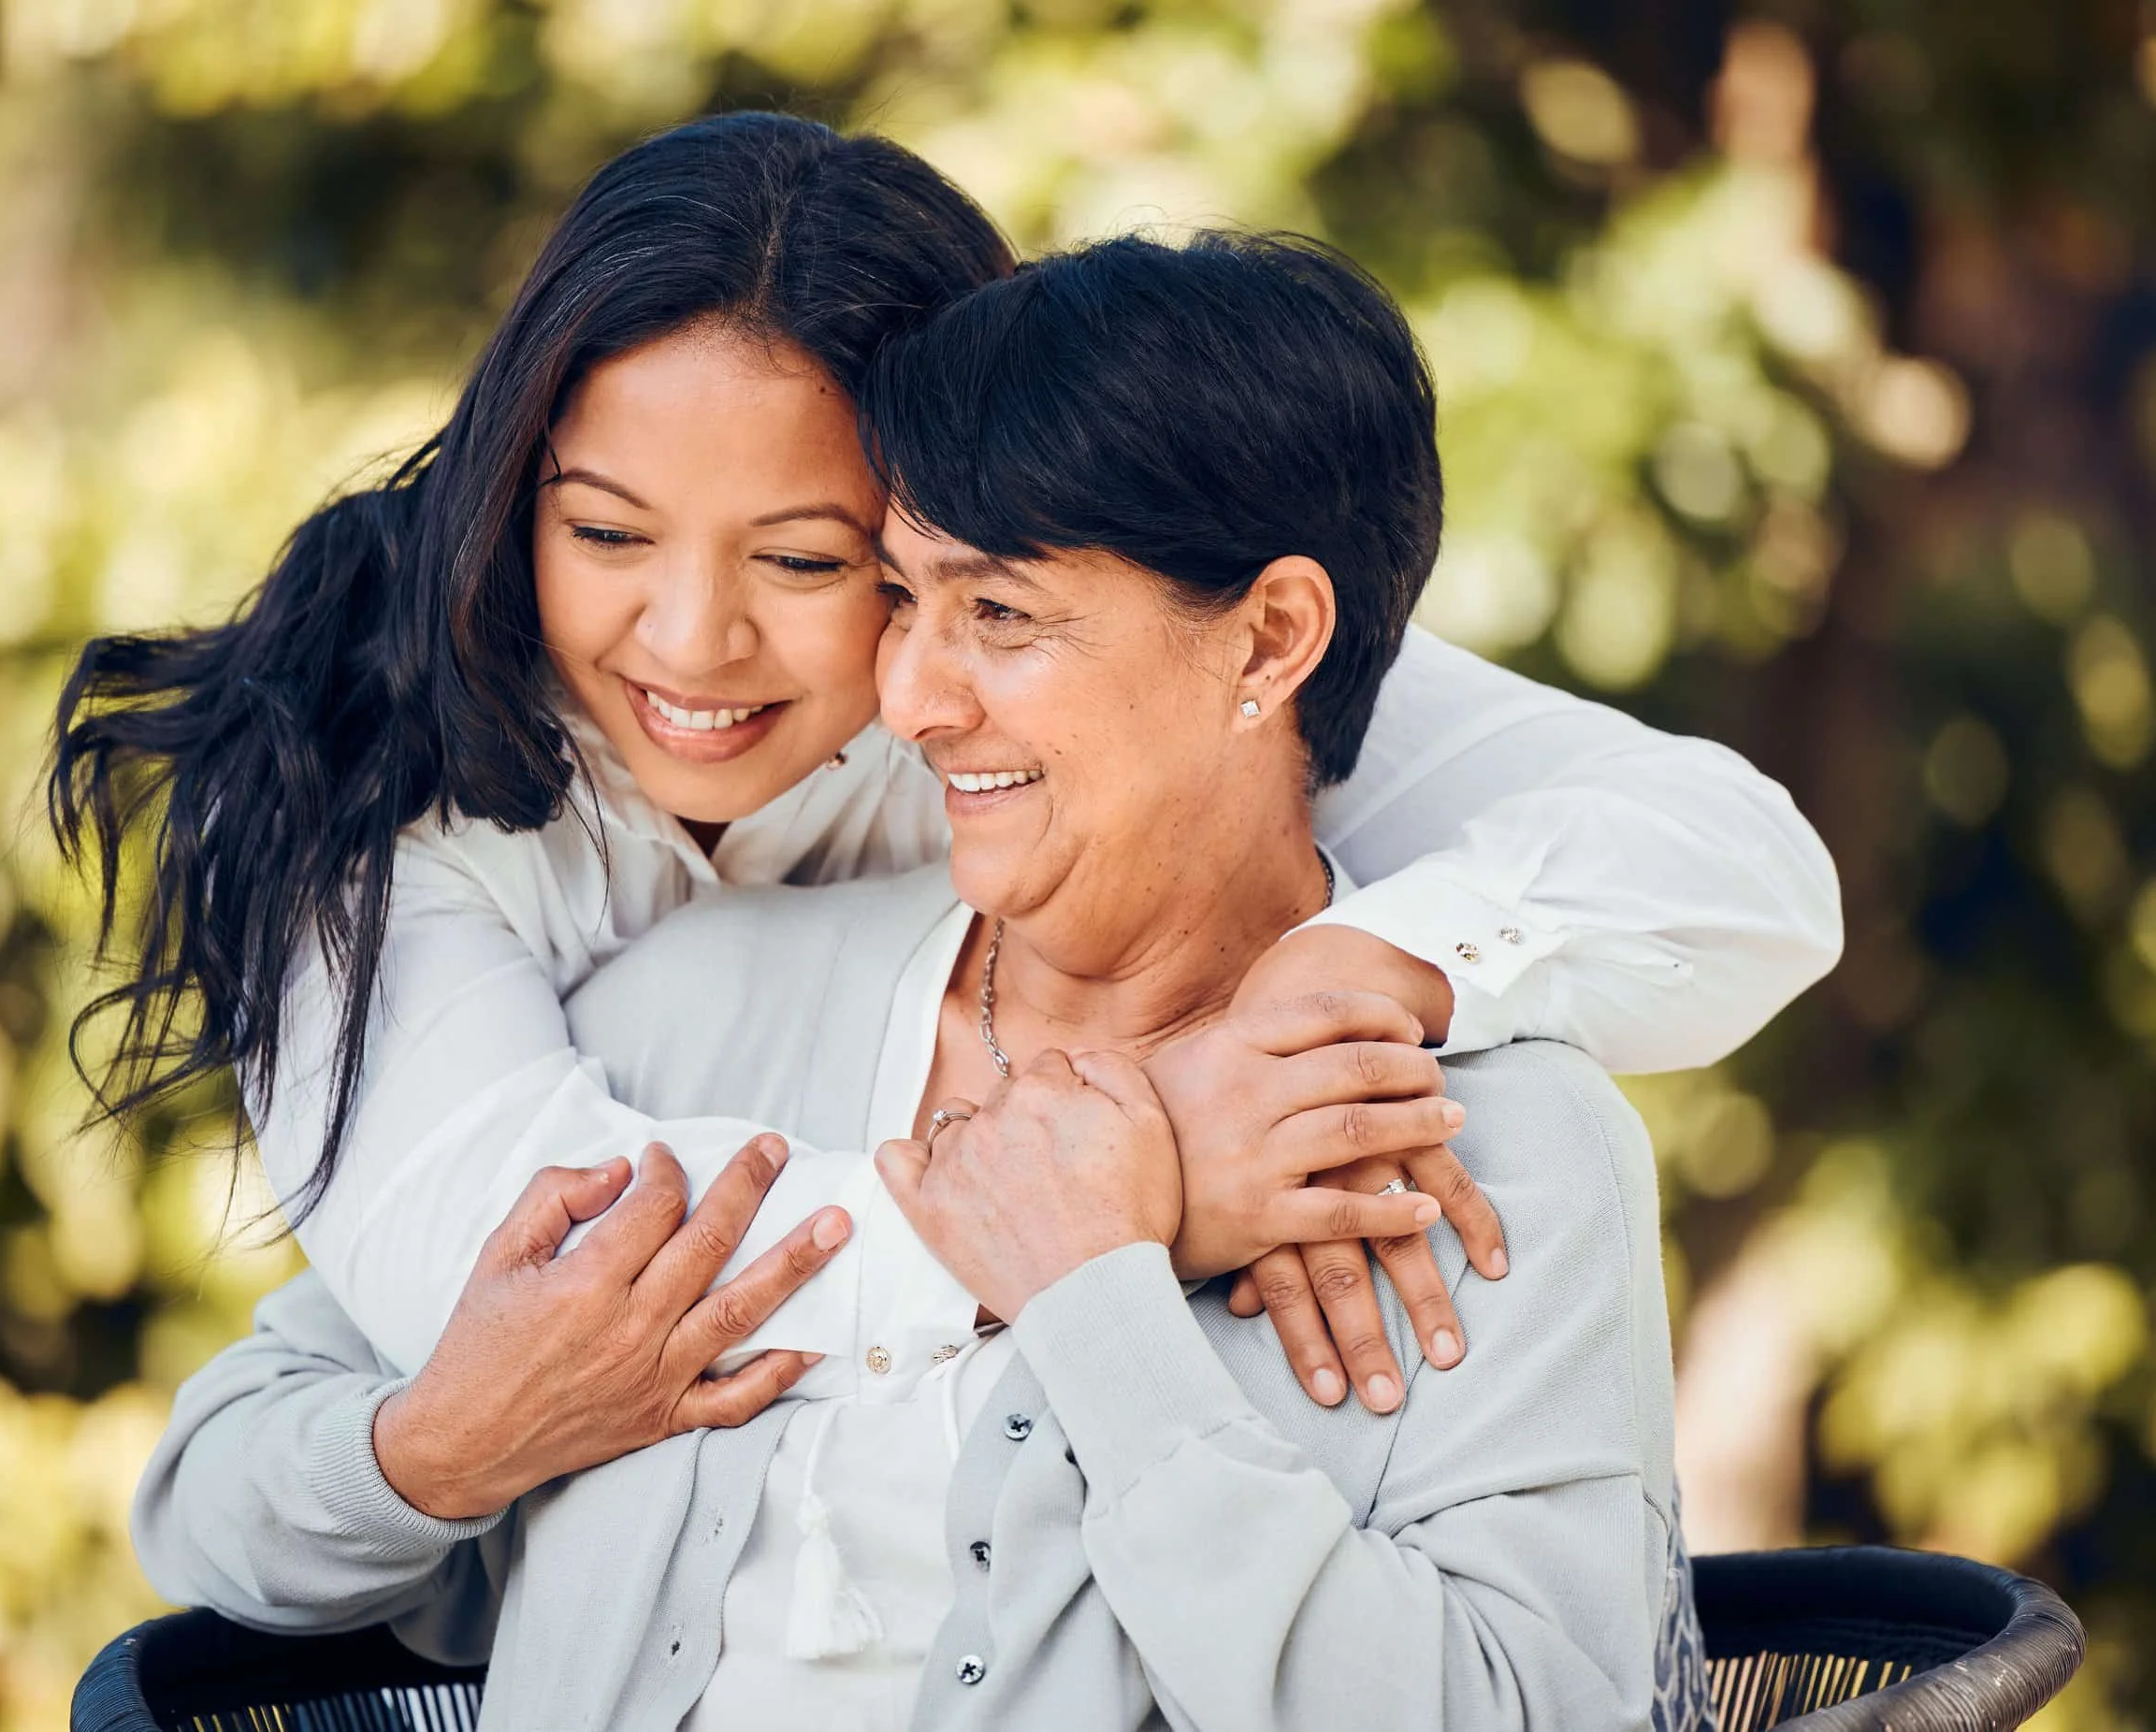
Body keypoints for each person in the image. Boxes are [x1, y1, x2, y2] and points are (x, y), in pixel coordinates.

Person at [135, 231, 1728, 1732]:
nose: (910, 694)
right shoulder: (687, 1009)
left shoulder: (1481, 1154)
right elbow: (218, 1501)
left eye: (1003, 616)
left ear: (1270, 642)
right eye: (904, 596)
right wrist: (439, 1453)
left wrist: (1106, 1316)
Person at [53, 112, 1837, 1446]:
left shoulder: (1036, 678)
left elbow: (1740, 871)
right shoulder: (371, 786)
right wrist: (1137, 1204)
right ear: (513, 486)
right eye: (603, 530)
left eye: (812, 561)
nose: (689, 641)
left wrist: (1353, 979)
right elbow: (501, 1292)